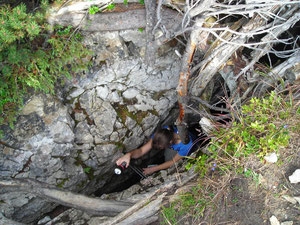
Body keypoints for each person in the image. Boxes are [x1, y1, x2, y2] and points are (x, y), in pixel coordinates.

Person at [116, 126, 194, 175]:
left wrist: (153, 169)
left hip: (192, 147)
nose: (160, 149)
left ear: (170, 143)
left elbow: (173, 161)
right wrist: (128, 155)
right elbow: (141, 151)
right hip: (174, 148)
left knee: (172, 163)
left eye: (162, 147)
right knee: (167, 157)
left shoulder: (186, 145)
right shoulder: (163, 132)